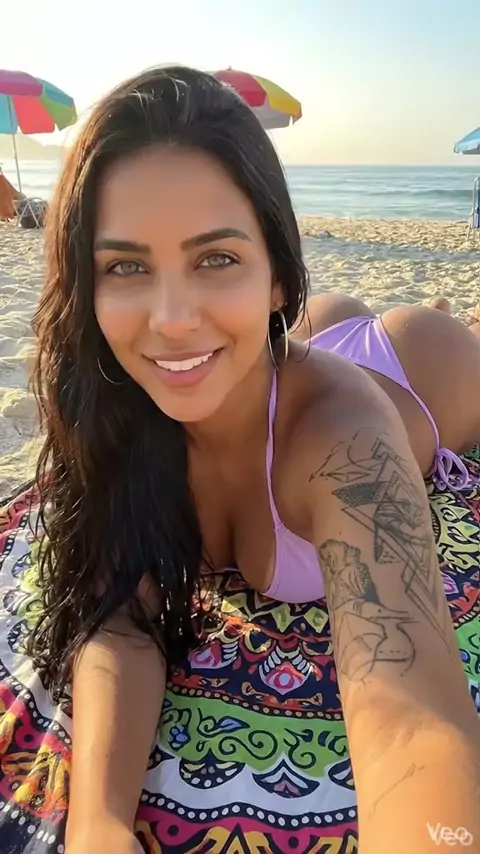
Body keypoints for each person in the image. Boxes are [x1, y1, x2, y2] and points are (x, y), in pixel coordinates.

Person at [27, 66, 480, 854]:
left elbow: (413, 721)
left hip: (422, 371)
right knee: (283, 332)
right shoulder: (118, 411)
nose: (170, 319)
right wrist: (99, 824)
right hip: (275, 344)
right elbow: (122, 616)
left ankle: (447, 315)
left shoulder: (342, 442)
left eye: (216, 258)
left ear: (276, 272)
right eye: (127, 266)